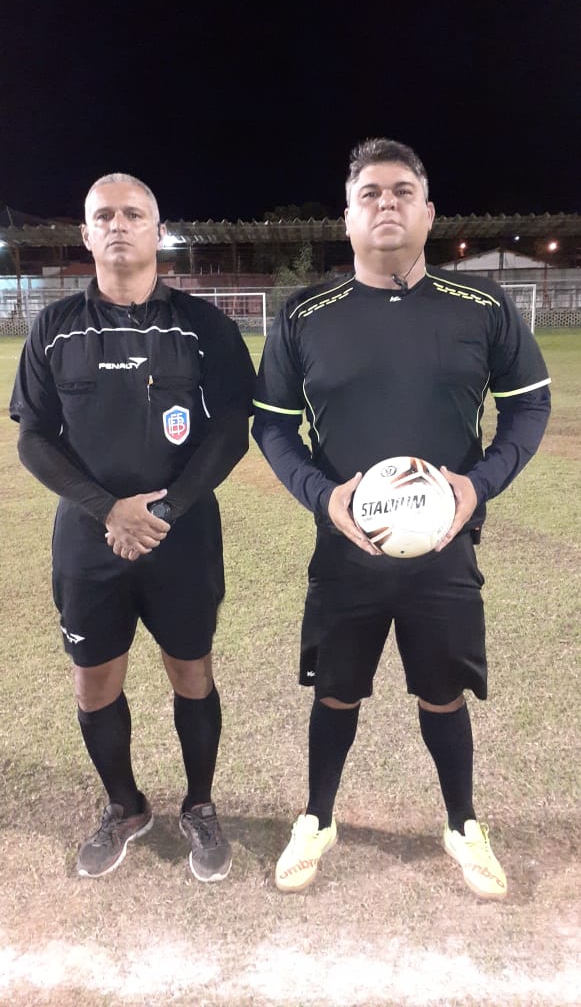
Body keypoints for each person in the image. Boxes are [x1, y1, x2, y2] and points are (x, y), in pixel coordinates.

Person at [252, 138, 551, 899]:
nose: (386, 203)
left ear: (428, 212)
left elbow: (528, 407)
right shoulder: (305, 314)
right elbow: (272, 427)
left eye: (402, 192)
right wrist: (322, 496)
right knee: (335, 691)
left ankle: (462, 824)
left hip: (443, 548)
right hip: (345, 549)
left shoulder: (482, 307)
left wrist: (477, 486)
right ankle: (317, 817)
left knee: (442, 692)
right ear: (348, 218)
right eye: (370, 194)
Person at [10, 173, 255, 882]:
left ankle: (199, 805)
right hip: (89, 539)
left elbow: (230, 433)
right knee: (93, 683)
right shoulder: (54, 328)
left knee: (192, 672)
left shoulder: (204, 327)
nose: (118, 225)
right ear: (86, 234)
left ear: (158, 230)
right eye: (104, 216)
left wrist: (164, 511)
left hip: (182, 538)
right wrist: (107, 509)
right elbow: (33, 439)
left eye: (133, 214)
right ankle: (125, 806)